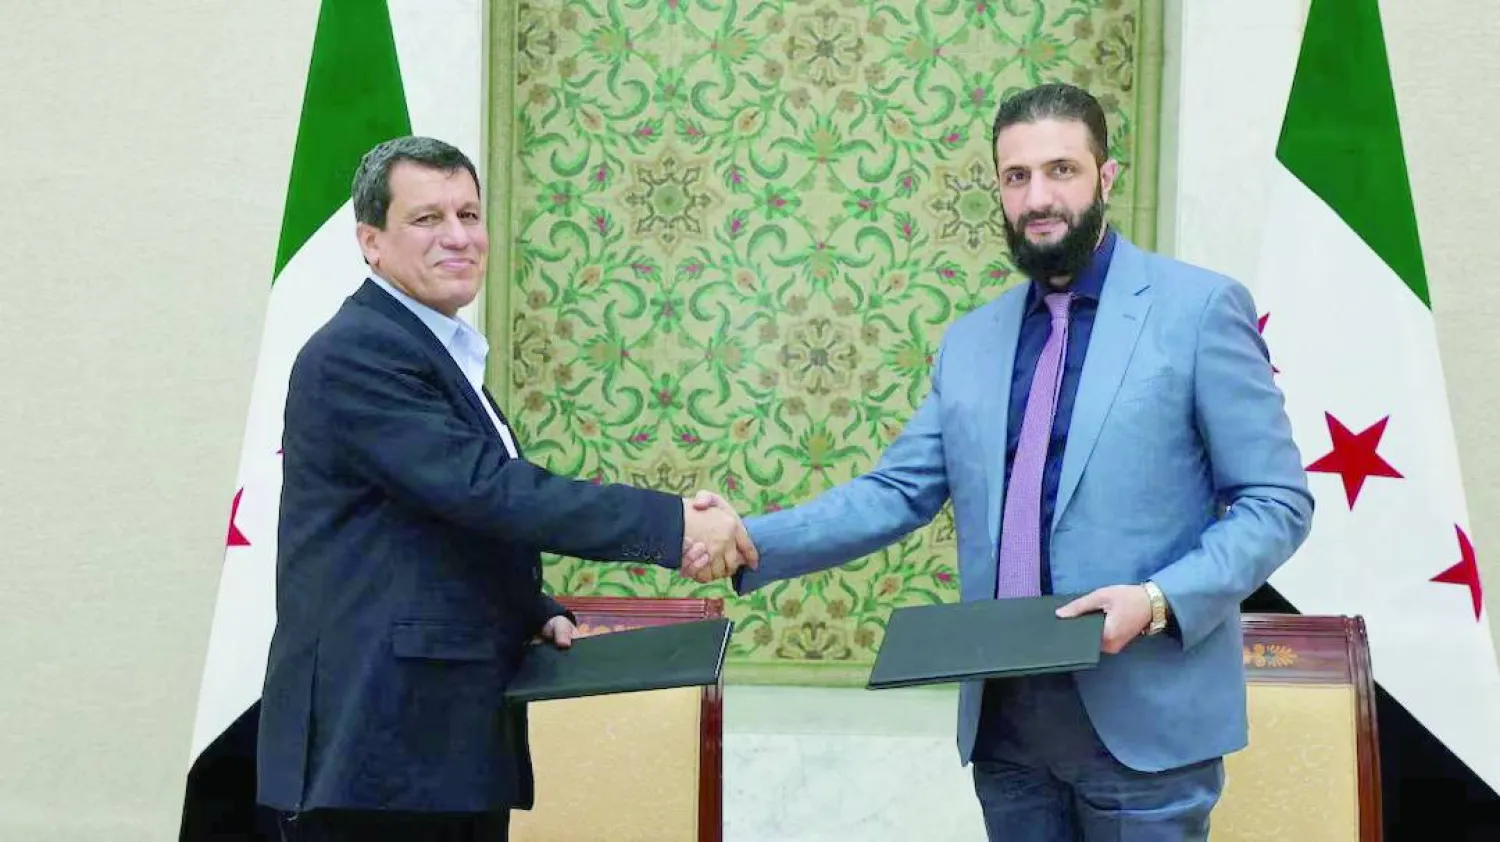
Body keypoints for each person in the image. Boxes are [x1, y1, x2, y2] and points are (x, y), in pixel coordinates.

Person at [687, 83, 1313, 841]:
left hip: (1144, 730)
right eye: (1017, 177)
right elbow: (897, 491)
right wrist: (750, 536)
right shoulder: (971, 342)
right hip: (1008, 730)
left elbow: (1276, 500)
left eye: (1062, 170)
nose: (1039, 197)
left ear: (1105, 178)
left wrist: (1155, 601)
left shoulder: (1199, 310)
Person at [256, 135, 754, 842]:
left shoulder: (438, 351)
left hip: (441, 744)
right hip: (377, 748)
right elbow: (488, 490)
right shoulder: (357, 353)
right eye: (428, 219)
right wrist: (674, 526)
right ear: (371, 241)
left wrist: (530, 607)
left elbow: (442, 529)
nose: (458, 237)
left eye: (470, 214)